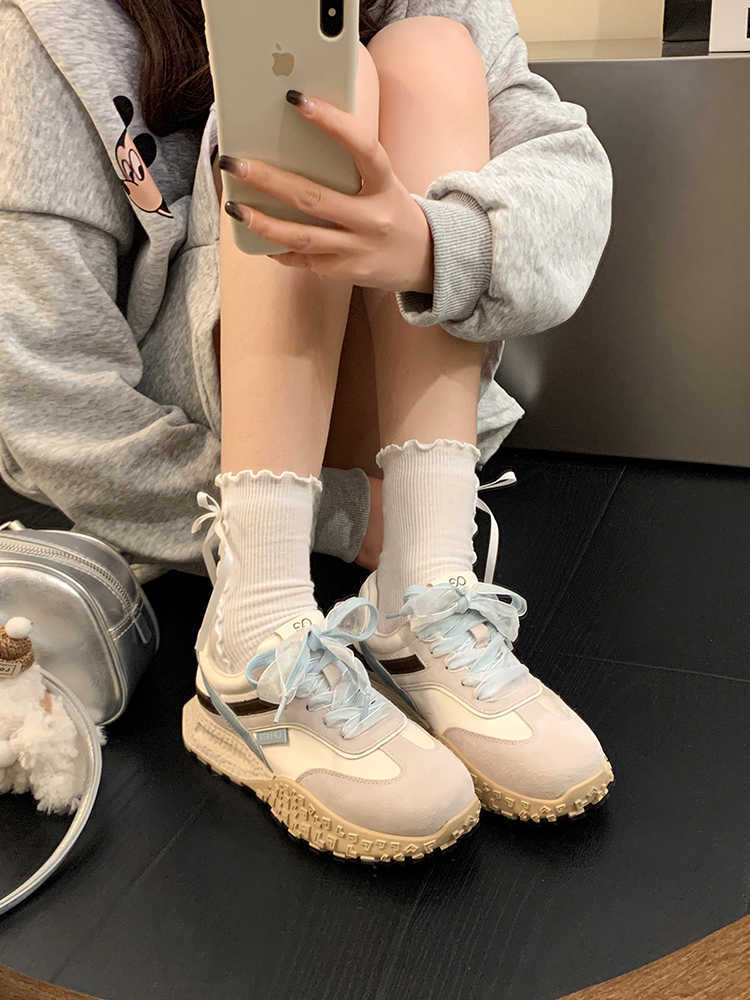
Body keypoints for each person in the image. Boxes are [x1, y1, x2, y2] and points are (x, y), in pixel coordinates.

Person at [0, 0, 614, 862]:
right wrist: (348, 517)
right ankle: (255, 621)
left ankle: (425, 586)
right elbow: (44, 395)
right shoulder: (52, 23)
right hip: (208, 468)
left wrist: (432, 245)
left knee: (430, 54)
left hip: (405, 454)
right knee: (300, 87)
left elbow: (570, 180)